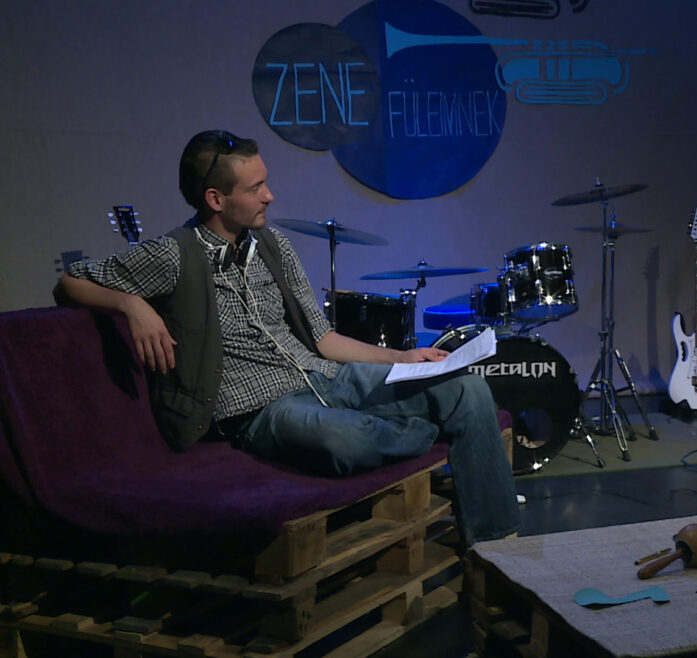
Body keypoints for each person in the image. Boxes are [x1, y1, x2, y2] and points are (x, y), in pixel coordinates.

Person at [54, 130, 519, 546]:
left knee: (467, 389)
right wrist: (131, 305)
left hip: (327, 378)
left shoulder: (274, 245)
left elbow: (323, 338)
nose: (269, 196)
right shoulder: (173, 255)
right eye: (255, 188)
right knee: (343, 441)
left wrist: (400, 356)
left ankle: (498, 546)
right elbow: (70, 283)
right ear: (215, 199)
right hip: (263, 411)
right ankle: (440, 433)